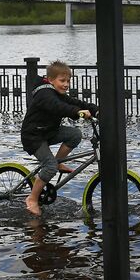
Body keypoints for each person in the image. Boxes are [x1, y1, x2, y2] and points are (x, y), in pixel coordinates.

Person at [21, 60, 98, 216]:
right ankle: (32, 198)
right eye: (62, 81)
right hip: (33, 136)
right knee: (49, 166)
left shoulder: (57, 93)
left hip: (48, 132)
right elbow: (59, 107)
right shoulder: (45, 94)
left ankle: (59, 162)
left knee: (75, 134)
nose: (66, 84)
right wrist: (78, 112)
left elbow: (74, 102)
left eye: (68, 81)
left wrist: (96, 110)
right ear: (50, 80)